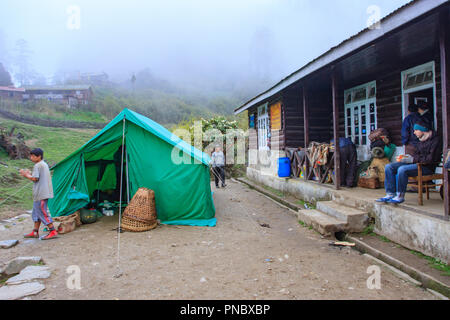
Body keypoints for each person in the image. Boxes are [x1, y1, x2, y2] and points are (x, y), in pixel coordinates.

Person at [376, 120, 442, 204]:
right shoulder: (420, 140)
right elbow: (416, 155)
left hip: (426, 168)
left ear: (423, 130)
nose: (414, 132)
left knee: (402, 169)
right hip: (416, 164)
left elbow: (430, 159)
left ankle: (400, 196)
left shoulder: (435, 141)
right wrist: (407, 158)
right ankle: (390, 194)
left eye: (416, 130)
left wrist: (413, 159)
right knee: (389, 167)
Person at [19, 148, 58, 240]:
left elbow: (35, 178)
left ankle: (52, 231)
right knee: (36, 213)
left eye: (33, 156)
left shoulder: (38, 165)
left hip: (41, 193)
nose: (31, 158)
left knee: (41, 212)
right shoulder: (43, 165)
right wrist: (29, 174)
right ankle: (35, 231)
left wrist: (25, 175)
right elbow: (36, 176)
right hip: (41, 193)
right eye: (31, 156)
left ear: (39, 156)